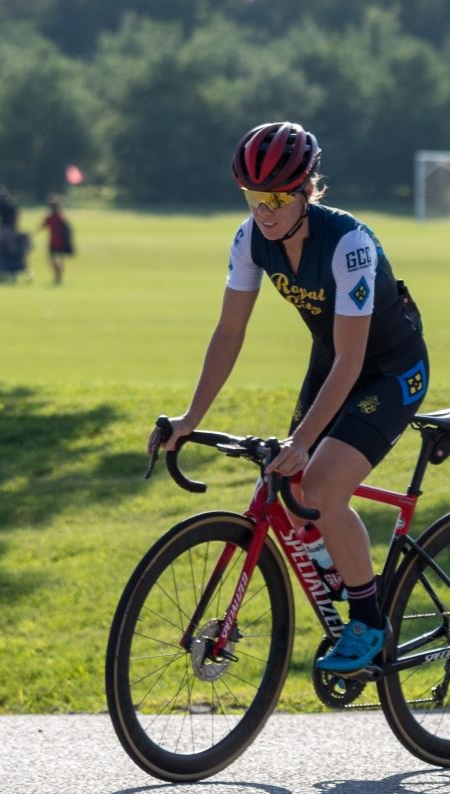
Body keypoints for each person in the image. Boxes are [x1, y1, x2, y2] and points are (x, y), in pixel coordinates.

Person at [150, 121, 429, 674]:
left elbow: (355, 361)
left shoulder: (348, 244)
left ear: (306, 190)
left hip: (389, 370)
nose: (265, 211)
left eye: (277, 197)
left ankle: (370, 620)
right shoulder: (250, 239)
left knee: (321, 481)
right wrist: (190, 418)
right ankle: (343, 567)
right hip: (332, 363)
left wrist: (303, 441)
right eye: (254, 198)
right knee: (293, 482)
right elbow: (230, 333)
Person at [35, 196, 74, 284]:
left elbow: (41, 227)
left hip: (54, 242)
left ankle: (57, 275)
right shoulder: (62, 217)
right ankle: (59, 276)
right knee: (60, 259)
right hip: (61, 242)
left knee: (52, 260)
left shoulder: (51, 218)